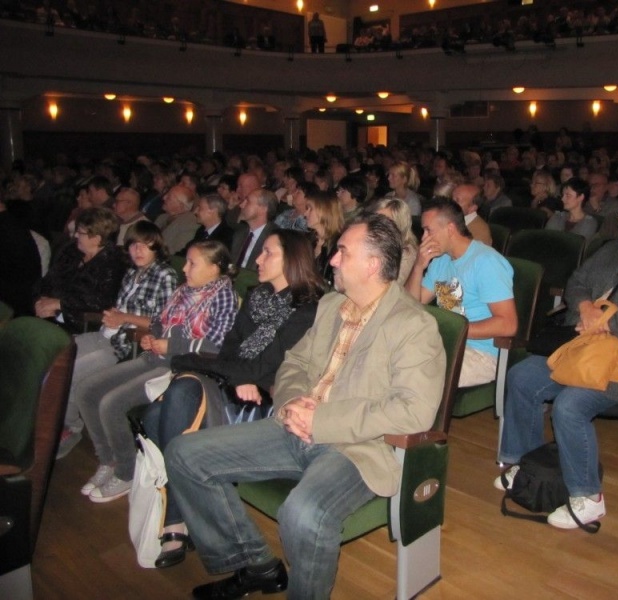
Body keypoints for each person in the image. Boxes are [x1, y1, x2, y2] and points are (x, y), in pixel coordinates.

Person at [166, 214, 445, 599]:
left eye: (342, 252)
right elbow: (294, 363)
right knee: (184, 454)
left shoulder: (413, 325)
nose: (332, 259)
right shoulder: (331, 305)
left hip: (356, 447)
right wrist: (291, 404)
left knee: (304, 513)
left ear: (372, 264)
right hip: (293, 426)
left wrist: (321, 420)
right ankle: (256, 565)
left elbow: (413, 411)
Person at [497, 189, 618, 528]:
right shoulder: (613, 251)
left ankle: (588, 497)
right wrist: (586, 307)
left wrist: (607, 319)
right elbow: (577, 282)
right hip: (589, 351)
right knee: (522, 377)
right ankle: (524, 464)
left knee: (570, 405)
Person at [142, 229, 324, 568]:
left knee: (171, 404)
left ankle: (175, 519)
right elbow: (229, 352)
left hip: (264, 401)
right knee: (158, 414)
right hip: (232, 384)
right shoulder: (257, 296)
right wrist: (236, 374)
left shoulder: (307, 310)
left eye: (268, 253)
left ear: (291, 259)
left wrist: (213, 367)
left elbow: (267, 368)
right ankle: (188, 513)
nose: (258, 259)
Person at [74, 241, 238, 503]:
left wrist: (171, 345)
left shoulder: (224, 297)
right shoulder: (184, 290)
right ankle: (108, 460)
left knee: (111, 404)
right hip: (154, 358)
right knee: (86, 390)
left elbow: (216, 345)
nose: (184, 268)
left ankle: (126, 472)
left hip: (178, 368)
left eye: (192, 263)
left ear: (214, 268)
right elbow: (161, 323)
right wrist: (152, 337)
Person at [57, 221, 178, 459]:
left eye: (145, 245)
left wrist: (124, 318)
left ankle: (69, 427)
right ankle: (49, 419)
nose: (138, 250)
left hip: (126, 345)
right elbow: (122, 308)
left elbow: (163, 323)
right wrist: (114, 315)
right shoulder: (132, 273)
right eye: (133, 245)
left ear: (156, 247)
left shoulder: (165, 275)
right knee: (58, 357)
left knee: (71, 372)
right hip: (107, 334)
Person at [406, 198, 517, 387]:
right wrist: (418, 266)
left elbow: (508, 325)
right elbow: (411, 305)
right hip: (445, 343)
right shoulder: (440, 260)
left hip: (481, 354)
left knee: (413, 373)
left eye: (428, 230)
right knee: (387, 356)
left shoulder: (486, 262)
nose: (424, 238)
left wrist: (454, 332)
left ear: (450, 229)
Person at [34, 207, 126, 334]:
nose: (76, 235)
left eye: (80, 232)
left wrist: (60, 304)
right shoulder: (70, 250)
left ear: (96, 238)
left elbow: (100, 302)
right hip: (50, 316)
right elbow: (49, 280)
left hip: (81, 325)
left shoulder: (114, 263)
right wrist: (41, 300)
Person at [368, 196, 419, 285]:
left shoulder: (407, 252)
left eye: (384, 220)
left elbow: (393, 286)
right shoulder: (373, 239)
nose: (378, 223)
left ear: (399, 224)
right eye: (376, 218)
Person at [231, 188, 278, 270]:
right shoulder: (239, 234)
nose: (241, 205)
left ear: (263, 209)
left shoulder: (275, 238)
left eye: (248, 202)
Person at [305, 190, 344, 287]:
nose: (305, 214)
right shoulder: (308, 238)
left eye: (310, 209)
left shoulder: (339, 245)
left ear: (324, 211)